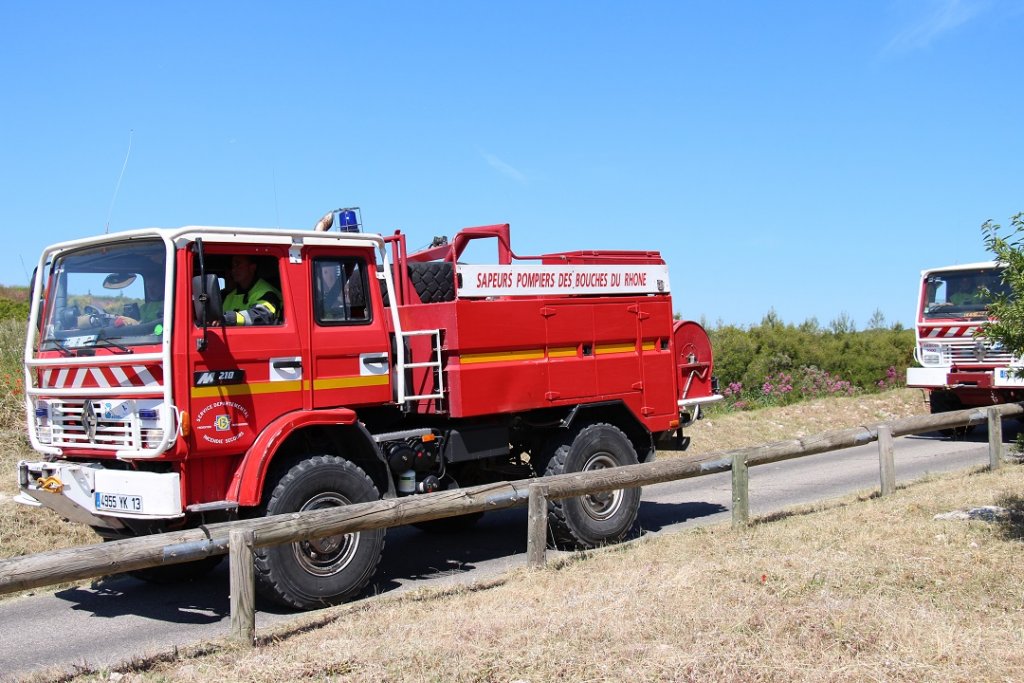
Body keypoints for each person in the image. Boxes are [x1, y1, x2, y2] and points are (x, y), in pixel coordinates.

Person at [221, 255, 282, 326]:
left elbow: (262, 316)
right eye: (233, 266)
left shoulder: (267, 292)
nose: (233, 270)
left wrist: (230, 318)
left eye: (238, 264)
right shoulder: (229, 296)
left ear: (252, 267)